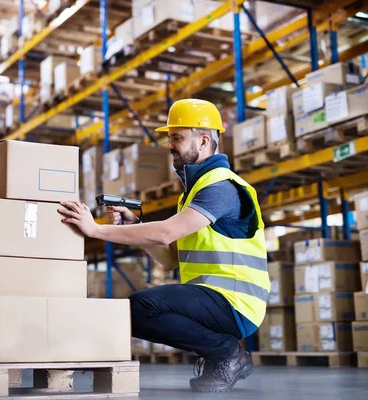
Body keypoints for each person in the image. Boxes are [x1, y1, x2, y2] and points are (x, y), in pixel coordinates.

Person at [58, 99, 270, 393]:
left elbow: (165, 233)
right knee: (136, 311)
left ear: (204, 140)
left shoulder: (221, 188)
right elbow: (170, 259)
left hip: (235, 302)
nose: (170, 145)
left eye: (177, 137)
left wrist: (95, 229)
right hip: (214, 299)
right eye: (170, 138)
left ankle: (226, 354)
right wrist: (131, 226)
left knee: (141, 307)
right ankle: (222, 352)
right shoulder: (193, 194)